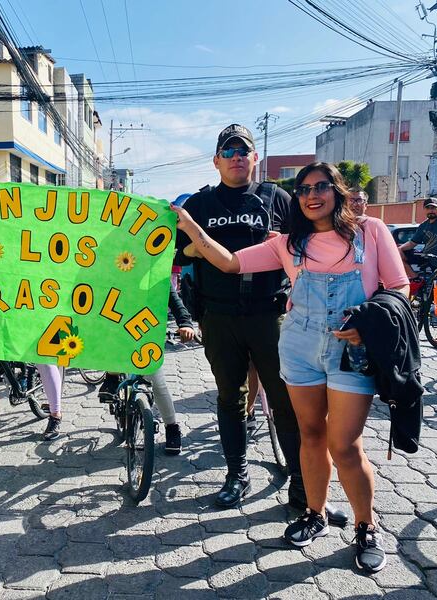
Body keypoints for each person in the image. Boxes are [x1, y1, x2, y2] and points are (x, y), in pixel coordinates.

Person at [173, 161, 409, 574]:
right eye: (303, 189)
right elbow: (229, 262)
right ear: (297, 199)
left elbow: (399, 286)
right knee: (310, 435)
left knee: (345, 445)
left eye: (321, 187)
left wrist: (369, 319)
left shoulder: (371, 232)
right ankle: (314, 513)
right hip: (299, 346)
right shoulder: (286, 243)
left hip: (351, 350)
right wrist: (191, 228)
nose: (312, 195)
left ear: (336, 191)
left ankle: (366, 526)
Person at [171, 124, 343, 523]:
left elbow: (306, 242)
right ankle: (237, 475)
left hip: (272, 315)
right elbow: (183, 253)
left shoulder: (280, 198)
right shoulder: (199, 204)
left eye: (242, 150)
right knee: (230, 399)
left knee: (286, 404)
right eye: (227, 151)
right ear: (216, 161)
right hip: (218, 315)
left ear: (254, 159)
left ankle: (303, 487)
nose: (235, 156)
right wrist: (206, 247)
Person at [97, 283, 192, 454]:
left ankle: (171, 427)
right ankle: (111, 379)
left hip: (146, 333)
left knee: (158, 383)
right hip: (117, 329)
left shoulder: (156, 274)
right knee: (111, 351)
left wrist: (185, 323)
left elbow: (174, 300)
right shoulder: (115, 266)